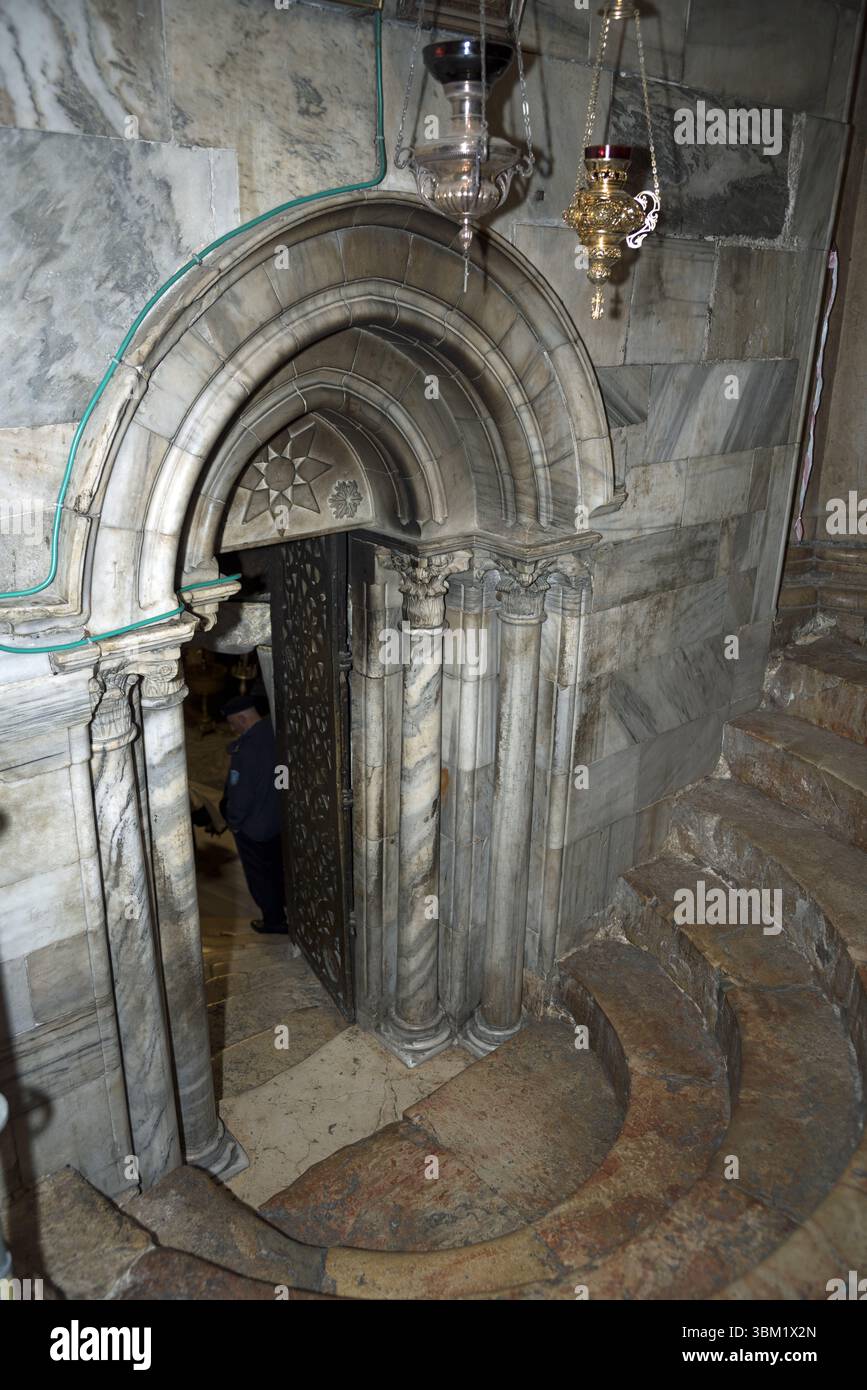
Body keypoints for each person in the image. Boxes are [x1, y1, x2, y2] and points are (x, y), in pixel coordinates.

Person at [219, 693, 287, 935]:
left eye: (232, 723)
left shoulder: (247, 750)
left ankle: (274, 920)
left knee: (261, 877)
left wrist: (234, 822)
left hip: (255, 828)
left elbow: (241, 794)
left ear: (242, 719)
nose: (232, 728)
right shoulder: (276, 730)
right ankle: (288, 909)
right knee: (279, 869)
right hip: (278, 820)